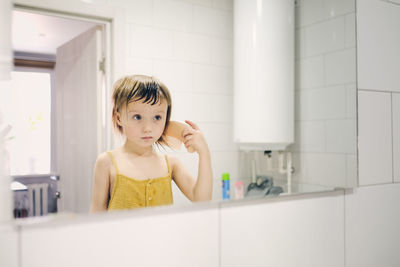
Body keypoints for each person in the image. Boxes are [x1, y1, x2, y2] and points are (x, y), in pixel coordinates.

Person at [90, 75, 213, 212]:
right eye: (137, 117)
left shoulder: (171, 164)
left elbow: (202, 200)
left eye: (157, 117)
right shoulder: (107, 163)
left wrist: (204, 153)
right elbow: (96, 215)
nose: (147, 128)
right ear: (118, 118)